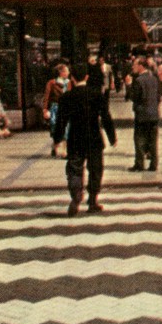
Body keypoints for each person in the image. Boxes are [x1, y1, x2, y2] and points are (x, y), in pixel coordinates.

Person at [53, 62, 117, 216]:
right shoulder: (97, 94)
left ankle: (76, 197)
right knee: (95, 169)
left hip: (75, 138)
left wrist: (58, 139)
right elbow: (106, 117)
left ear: (72, 78)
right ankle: (93, 200)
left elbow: (61, 121)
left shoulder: (67, 97)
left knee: (74, 169)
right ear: (87, 77)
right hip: (94, 137)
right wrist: (112, 136)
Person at [127, 56, 161, 171]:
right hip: (153, 114)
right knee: (153, 140)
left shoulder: (138, 81)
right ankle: (154, 164)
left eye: (135, 65)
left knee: (139, 140)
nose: (133, 67)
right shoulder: (154, 79)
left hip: (142, 115)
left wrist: (128, 85)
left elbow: (134, 97)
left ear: (141, 66)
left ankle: (139, 164)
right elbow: (158, 96)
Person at [43, 63, 71, 157]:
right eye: (67, 71)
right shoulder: (52, 83)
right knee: (56, 129)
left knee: (66, 128)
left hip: (66, 108)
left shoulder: (70, 83)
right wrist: (45, 110)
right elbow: (46, 97)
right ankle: (54, 147)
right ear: (61, 72)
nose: (68, 72)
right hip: (55, 108)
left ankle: (64, 151)